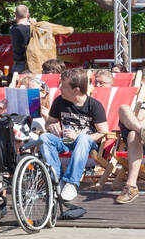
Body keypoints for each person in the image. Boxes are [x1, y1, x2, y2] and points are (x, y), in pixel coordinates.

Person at [39, 68, 108, 202]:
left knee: (83, 138)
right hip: (64, 141)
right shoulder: (60, 101)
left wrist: (78, 136)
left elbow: (103, 132)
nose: (59, 88)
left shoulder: (94, 105)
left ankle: (71, 183)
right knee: (44, 137)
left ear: (76, 90)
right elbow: (50, 122)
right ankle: (56, 180)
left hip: (86, 144)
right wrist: (51, 126)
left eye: (63, 86)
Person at [10, 5, 33, 74]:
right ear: (28, 14)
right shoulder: (32, 28)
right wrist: (35, 24)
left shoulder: (14, 29)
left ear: (15, 14)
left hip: (18, 64)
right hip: (32, 64)